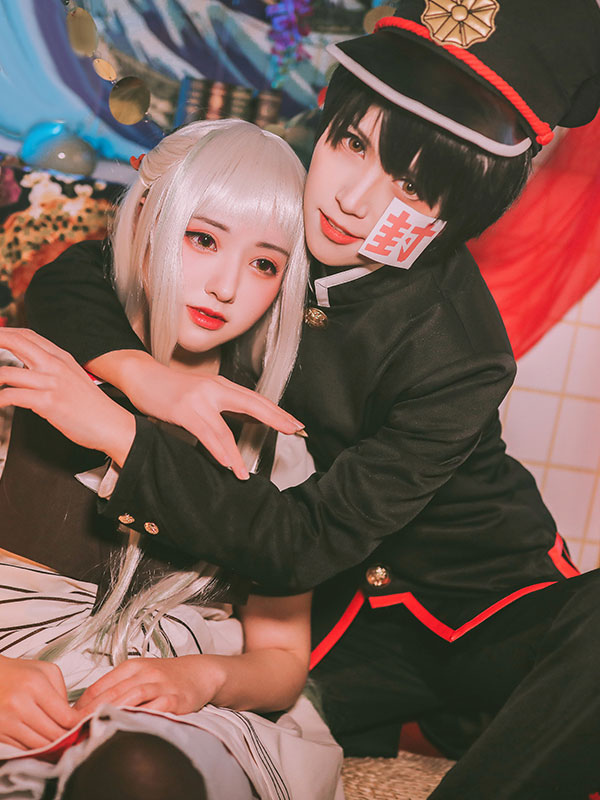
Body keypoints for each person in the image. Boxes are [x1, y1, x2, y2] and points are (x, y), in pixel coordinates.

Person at [9, 0, 600, 797]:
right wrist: (148, 378)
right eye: (352, 143)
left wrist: (123, 433)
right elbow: (83, 272)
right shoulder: (275, 199)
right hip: (336, 639)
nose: (353, 198)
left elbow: (301, 541)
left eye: (413, 186)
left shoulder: (462, 353)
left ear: (463, 215)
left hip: (486, 615)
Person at [0, 119, 343, 800]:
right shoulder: (37, 369)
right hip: (15, 666)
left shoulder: (276, 440)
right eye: (204, 239)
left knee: (142, 772)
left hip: (170, 705)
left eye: (265, 264)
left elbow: (281, 659)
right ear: (146, 219)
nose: (226, 286)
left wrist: (202, 678)